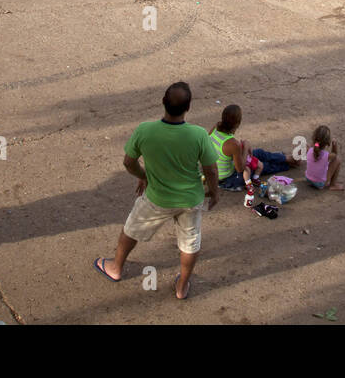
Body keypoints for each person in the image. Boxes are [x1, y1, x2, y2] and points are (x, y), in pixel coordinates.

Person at [94, 82, 219, 300]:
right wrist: (215, 193)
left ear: (163, 102)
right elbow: (211, 169)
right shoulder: (199, 134)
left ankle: (115, 267)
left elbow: (128, 162)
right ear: (188, 107)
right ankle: (181, 286)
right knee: (190, 242)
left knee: (131, 229)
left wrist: (144, 176)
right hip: (191, 199)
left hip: (157, 197)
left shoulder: (145, 130)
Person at [207, 105, 295, 196]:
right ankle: (287, 164)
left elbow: (209, 144)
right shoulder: (232, 144)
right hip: (227, 179)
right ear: (238, 123)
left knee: (259, 153)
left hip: (217, 169)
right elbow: (240, 169)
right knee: (259, 166)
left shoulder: (217, 126)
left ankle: (286, 158)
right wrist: (245, 147)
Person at [305, 125, 343, 191]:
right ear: (328, 142)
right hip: (319, 184)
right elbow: (335, 154)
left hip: (308, 179)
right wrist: (334, 144)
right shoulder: (327, 156)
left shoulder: (309, 150)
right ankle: (333, 185)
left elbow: (314, 148)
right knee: (337, 160)